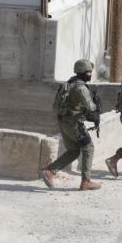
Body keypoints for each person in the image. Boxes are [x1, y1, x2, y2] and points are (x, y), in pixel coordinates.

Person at [40, 59, 101, 191]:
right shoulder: (81, 88)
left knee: (73, 151)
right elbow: (90, 107)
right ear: (83, 72)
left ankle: (49, 171)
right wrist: (96, 106)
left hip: (63, 122)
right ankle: (86, 181)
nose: (90, 74)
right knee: (88, 147)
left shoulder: (68, 84)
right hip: (74, 124)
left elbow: (57, 106)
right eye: (89, 72)